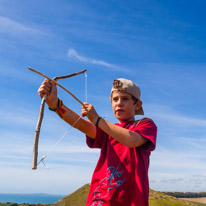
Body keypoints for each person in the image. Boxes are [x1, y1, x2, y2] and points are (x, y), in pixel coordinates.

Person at [38, 78, 157, 206]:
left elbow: (132, 140)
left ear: (137, 105)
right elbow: (81, 124)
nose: (119, 103)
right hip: (99, 201)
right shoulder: (106, 128)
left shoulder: (144, 124)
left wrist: (97, 120)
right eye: (115, 99)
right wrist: (54, 103)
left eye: (125, 99)